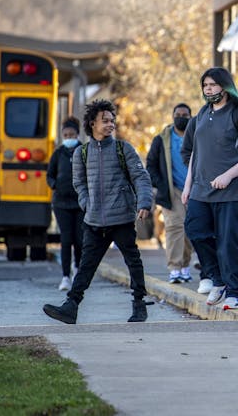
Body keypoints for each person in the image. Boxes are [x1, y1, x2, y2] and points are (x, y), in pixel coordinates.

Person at [43, 99, 153, 324]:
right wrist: (86, 203)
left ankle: (139, 304)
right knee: (86, 265)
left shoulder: (124, 149)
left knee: (133, 261)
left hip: (121, 217)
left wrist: (144, 202)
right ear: (92, 123)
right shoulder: (81, 153)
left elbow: (140, 177)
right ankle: (71, 306)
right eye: (105, 121)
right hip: (93, 221)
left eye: (112, 121)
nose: (110, 124)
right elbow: (79, 184)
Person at [181, 67, 238, 310]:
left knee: (228, 242)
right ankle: (217, 279)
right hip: (201, 190)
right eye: (205, 85)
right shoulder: (201, 115)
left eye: (212, 84)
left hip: (233, 191)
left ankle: (237, 293)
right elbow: (194, 152)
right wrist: (188, 185)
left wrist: (228, 175)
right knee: (195, 230)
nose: (208, 89)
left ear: (225, 86)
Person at [146, 103, 196, 285]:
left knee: (190, 230)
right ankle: (174, 268)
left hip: (194, 190)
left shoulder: (197, 137)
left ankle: (185, 266)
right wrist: (160, 184)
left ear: (191, 117)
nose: (181, 117)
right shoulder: (162, 139)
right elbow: (150, 164)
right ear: (173, 116)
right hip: (172, 190)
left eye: (185, 114)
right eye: (178, 114)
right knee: (175, 227)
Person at [46, 116, 85, 292]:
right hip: (61, 203)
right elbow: (50, 174)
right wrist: (55, 185)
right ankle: (65, 277)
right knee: (66, 239)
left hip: (80, 204)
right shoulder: (58, 153)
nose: (69, 137)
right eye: (66, 135)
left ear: (77, 134)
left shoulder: (84, 151)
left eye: (72, 134)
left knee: (79, 239)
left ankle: (77, 270)